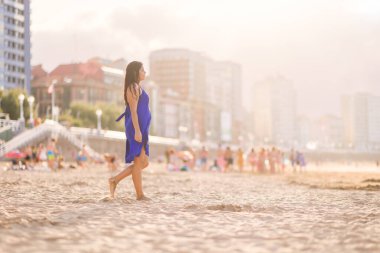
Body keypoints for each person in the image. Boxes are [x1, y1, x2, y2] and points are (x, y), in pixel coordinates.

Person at [108, 61, 151, 200]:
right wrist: (137, 131)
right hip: (135, 127)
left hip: (141, 128)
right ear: (136, 72)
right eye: (142, 70)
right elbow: (133, 111)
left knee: (144, 162)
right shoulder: (132, 87)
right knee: (139, 162)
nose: (145, 72)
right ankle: (140, 195)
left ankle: (115, 180)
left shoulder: (137, 87)